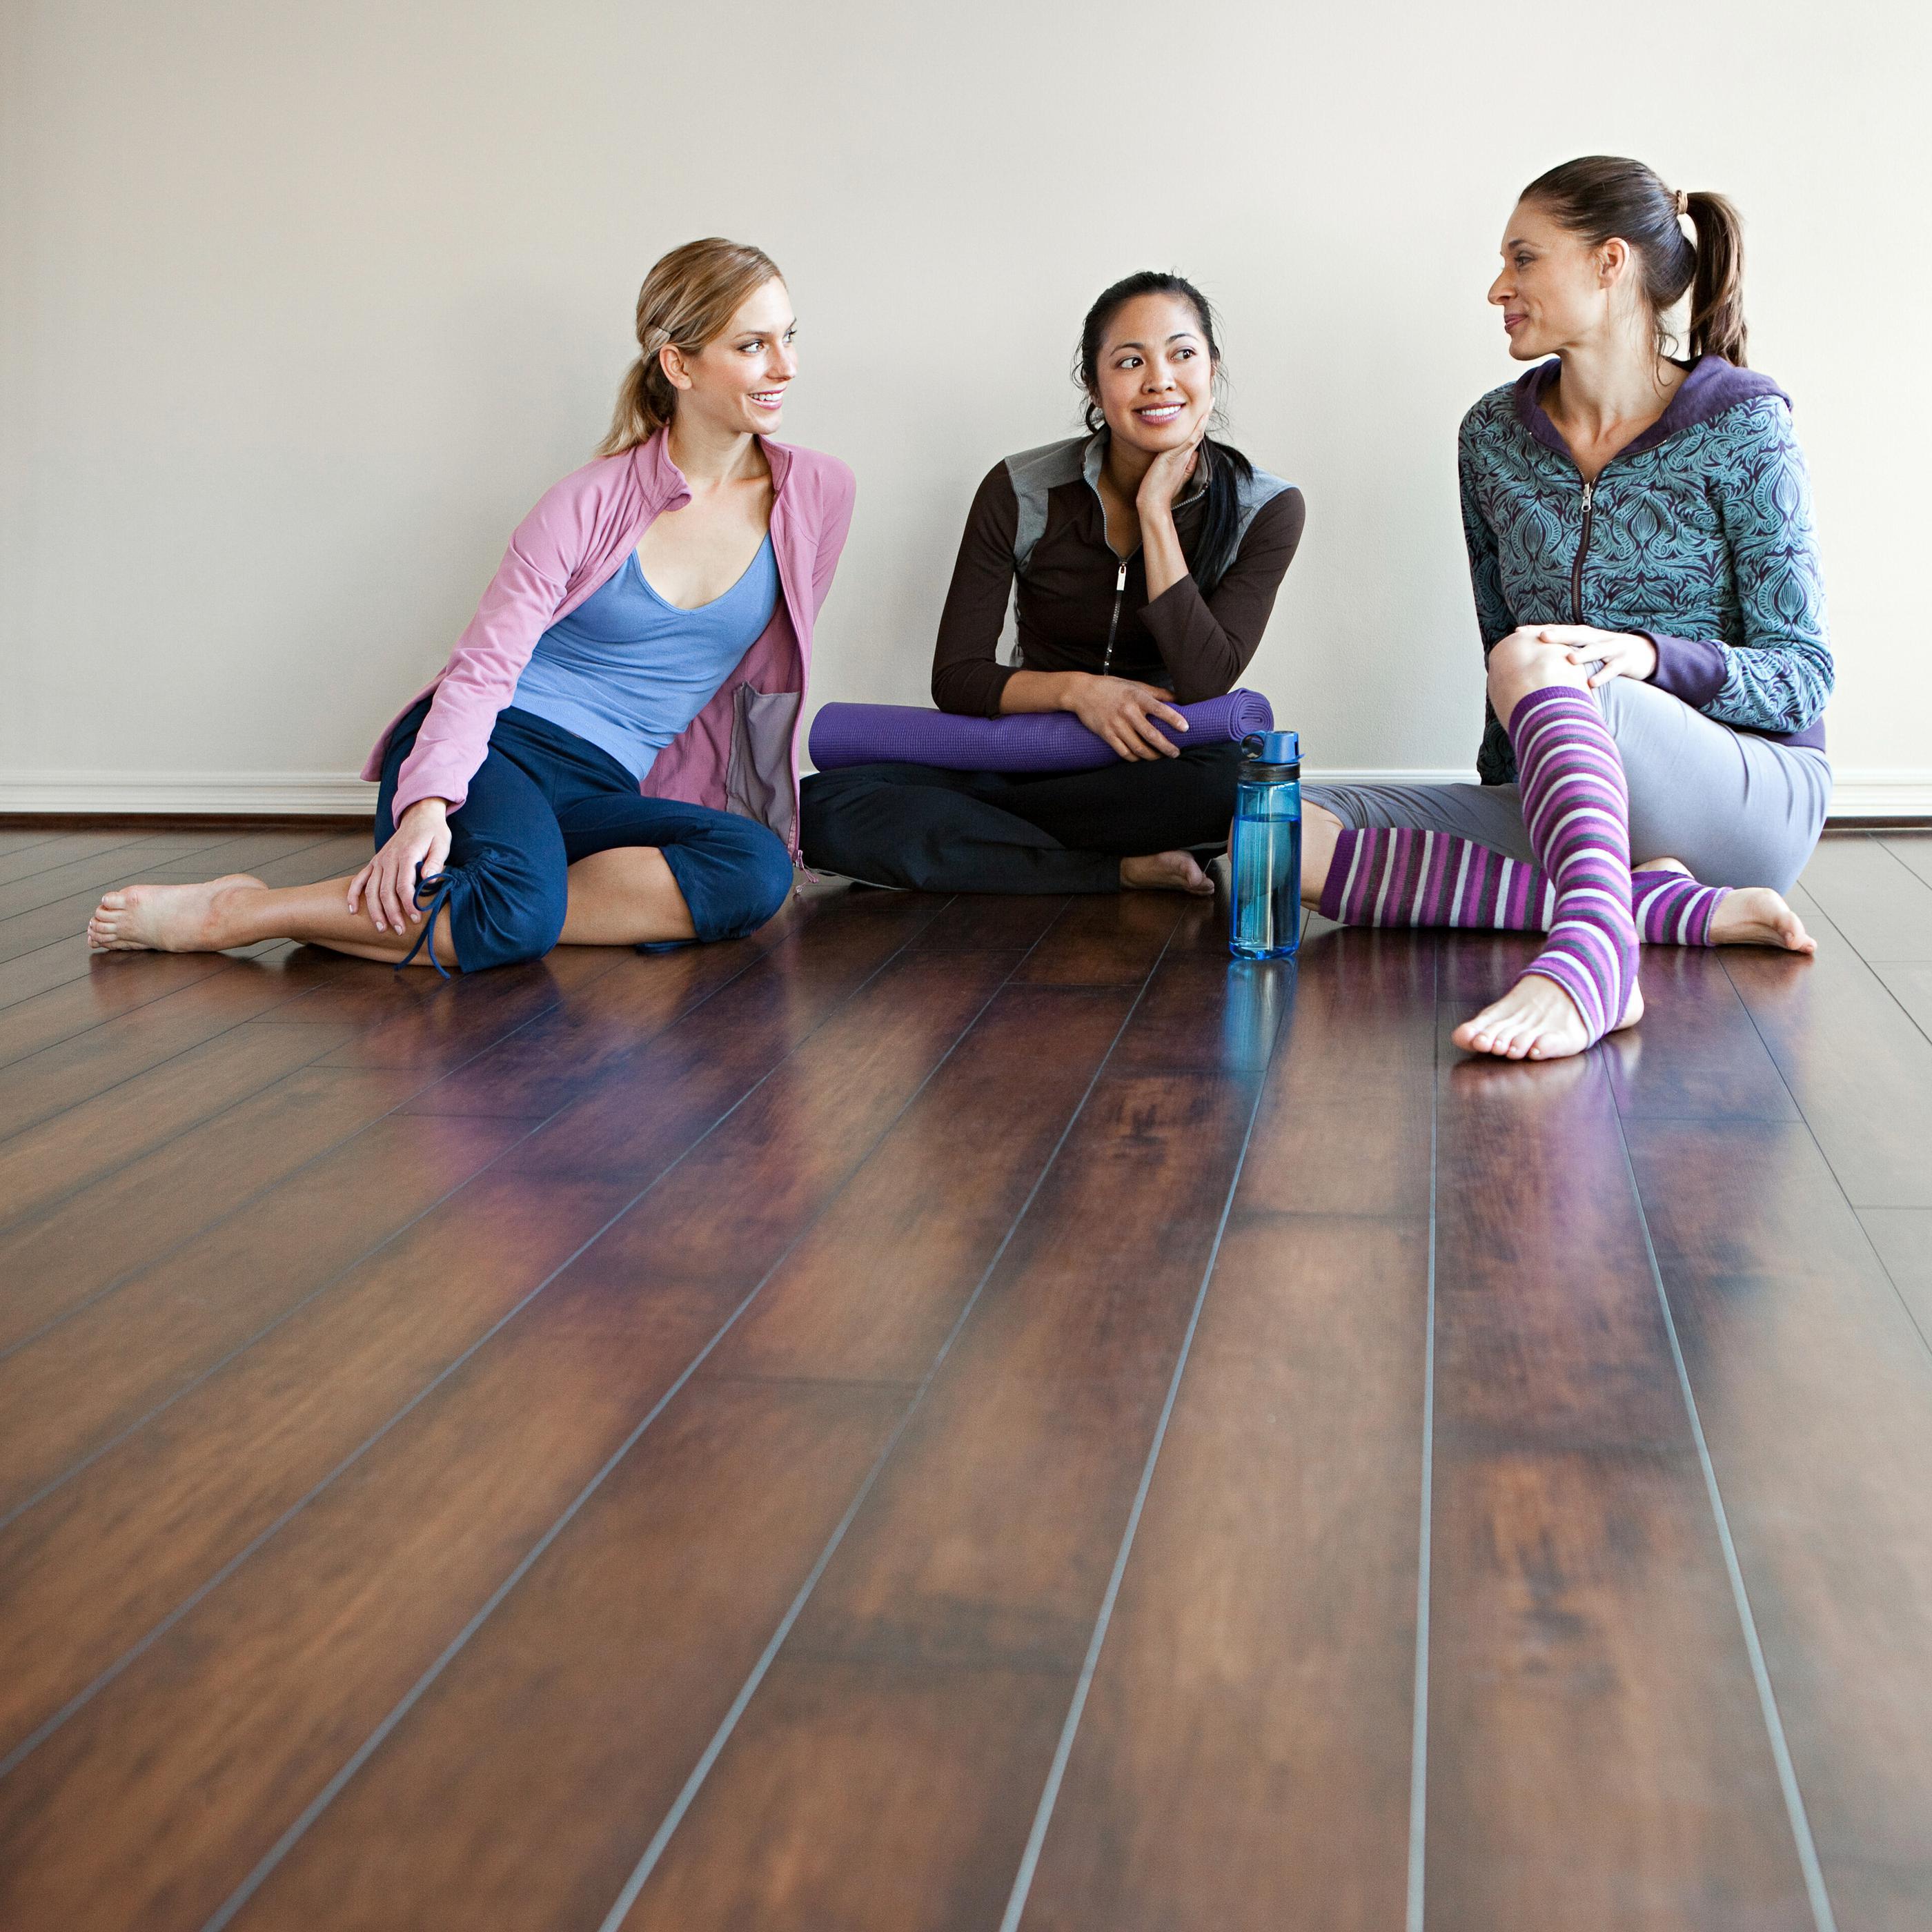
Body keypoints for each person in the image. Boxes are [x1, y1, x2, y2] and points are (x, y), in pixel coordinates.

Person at [90, 238, 854, 972]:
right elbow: (486, 665)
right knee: (517, 910)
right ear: (678, 363)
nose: (785, 366)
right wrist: (428, 801)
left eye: (789, 336)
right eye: (752, 345)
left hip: (608, 785)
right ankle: (243, 913)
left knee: (754, 866)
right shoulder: (585, 503)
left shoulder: (816, 495)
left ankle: (477, 909)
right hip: (495, 750)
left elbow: (756, 675)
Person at [1298, 156, 1832, 1060]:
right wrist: (1512, 795)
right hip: (1581, 799)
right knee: (1262, 835)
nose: (1497, 287)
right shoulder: (1491, 438)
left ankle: (1590, 962)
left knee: (1531, 658)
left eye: (1523, 259)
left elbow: (1803, 679)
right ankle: (1666, 909)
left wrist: (1649, 659)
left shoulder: (1743, 422)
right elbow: (1495, 639)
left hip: (1747, 795)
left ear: (1609, 263)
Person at [800, 270, 1305, 896]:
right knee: (823, 804)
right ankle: (1116, 868)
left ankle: (982, 851)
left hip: (1155, 770)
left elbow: (1206, 680)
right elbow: (957, 677)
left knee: (1228, 783)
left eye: (1182, 354)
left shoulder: (1268, 507)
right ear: (1092, 383)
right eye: (1129, 361)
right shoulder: (1020, 488)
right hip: (1027, 756)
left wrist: (1154, 512)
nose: (1159, 380)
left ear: (1212, 367)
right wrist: (1078, 694)